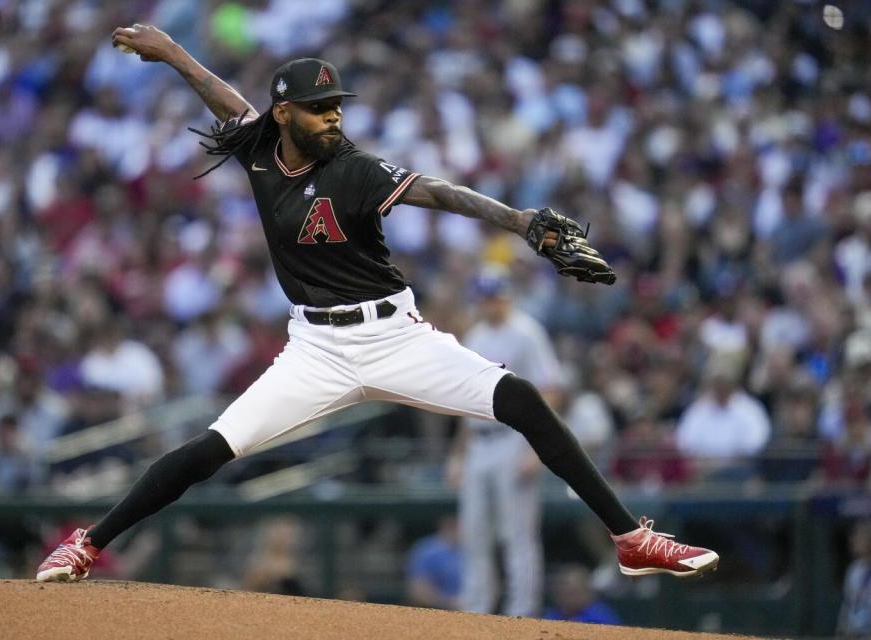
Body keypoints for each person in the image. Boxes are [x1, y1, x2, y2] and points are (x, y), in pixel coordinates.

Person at [36, 24, 718, 583]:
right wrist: (173, 52)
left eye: (338, 106)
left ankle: (631, 539)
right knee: (211, 448)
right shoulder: (261, 154)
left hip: (397, 339)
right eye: (320, 109)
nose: (335, 118)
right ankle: (88, 544)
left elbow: (442, 194)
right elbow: (226, 102)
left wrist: (520, 222)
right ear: (284, 115)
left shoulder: (355, 169)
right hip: (315, 350)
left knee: (523, 401)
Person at [447, 270, 561, 616]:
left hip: (514, 439)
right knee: (474, 534)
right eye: (484, 298)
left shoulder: (527, 332)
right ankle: (476, 609)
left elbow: (551, 391)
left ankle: (521, 614)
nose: (490, 304)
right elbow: (468, 402)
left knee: (517, 535)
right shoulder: (474, 334)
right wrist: (457, 454)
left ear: (507, 297)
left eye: (495, 297)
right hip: (478, 443)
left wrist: (535, 448)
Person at [406, 516, 462, 610]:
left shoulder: (476, 548)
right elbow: (417, 590)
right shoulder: (428, 549)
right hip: (439, 611)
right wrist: (449, 602)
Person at [543, 564, 621, 625]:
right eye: (563, 592)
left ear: (587, 591)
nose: (568, 598)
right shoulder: (552, 616)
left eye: (573, 592)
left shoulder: (601, 617)